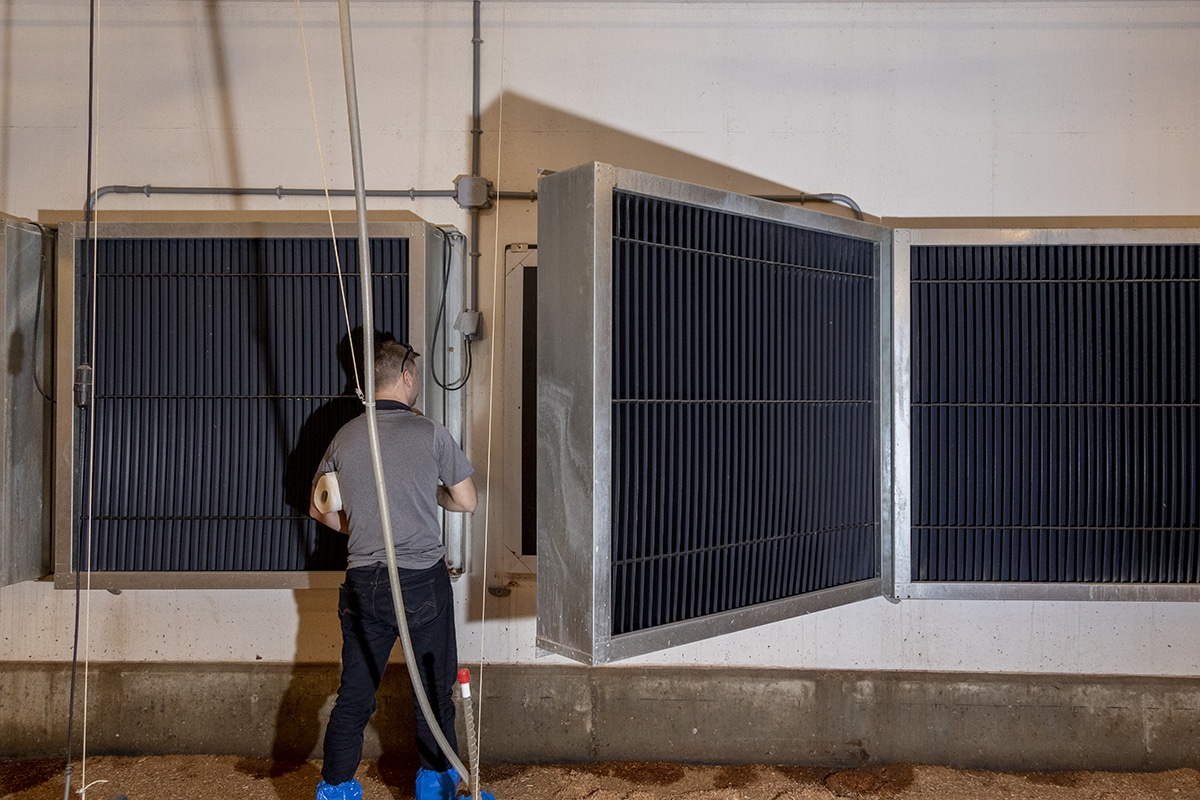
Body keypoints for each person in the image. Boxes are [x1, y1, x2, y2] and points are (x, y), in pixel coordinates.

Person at [310, 339, 478, 800]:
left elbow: (320, 508)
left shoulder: (344, 435)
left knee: (354, 696)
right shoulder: (430, 434)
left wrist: (367, 527)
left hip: (364, 582)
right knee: (431, 694)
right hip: (421, 579)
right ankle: (435, 790)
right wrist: (434, 496)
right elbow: (466, 501)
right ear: (405, 377)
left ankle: (336, 790)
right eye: (417, 376)